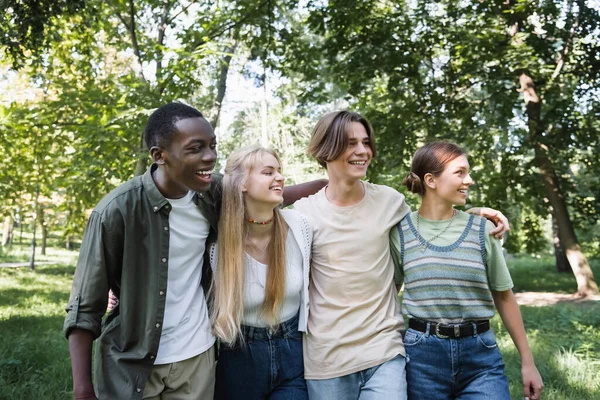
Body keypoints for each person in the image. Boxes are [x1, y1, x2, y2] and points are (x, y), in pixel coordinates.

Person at [63, 103, 322, 400]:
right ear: (160, 156)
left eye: (212, 146)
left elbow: (268, 197)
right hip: (132, 360)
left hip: (195, 356)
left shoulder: (210, 194)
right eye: (196, 148)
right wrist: (82, 388)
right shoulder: (117, 211)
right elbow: (84, 306)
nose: (210, 157)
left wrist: (332, 185)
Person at [292, 111, 509, 399]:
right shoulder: (302, 215)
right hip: (326, 357)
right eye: (350, 143)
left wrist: (473, 216)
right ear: (325, 149)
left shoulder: (389, 201)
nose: (362, 151)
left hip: (384, 349)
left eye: (366, 142)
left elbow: (429, 227)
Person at [391, 141, 543, 400]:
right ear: (431, 180)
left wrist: (528, 363)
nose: (469, 180)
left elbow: (504, 297)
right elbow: (390, 296)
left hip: (480, 357)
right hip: (421, 358)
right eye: (460, 172)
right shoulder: (400, 232)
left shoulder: (483, 229)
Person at [209, 145, 312, 399]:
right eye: (268, 172)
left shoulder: (300, 227)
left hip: (294, 355)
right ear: (242, 184)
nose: (279, 177)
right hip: (240, 357)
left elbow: (327, 187)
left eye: (279, 171)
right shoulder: (217, 243)